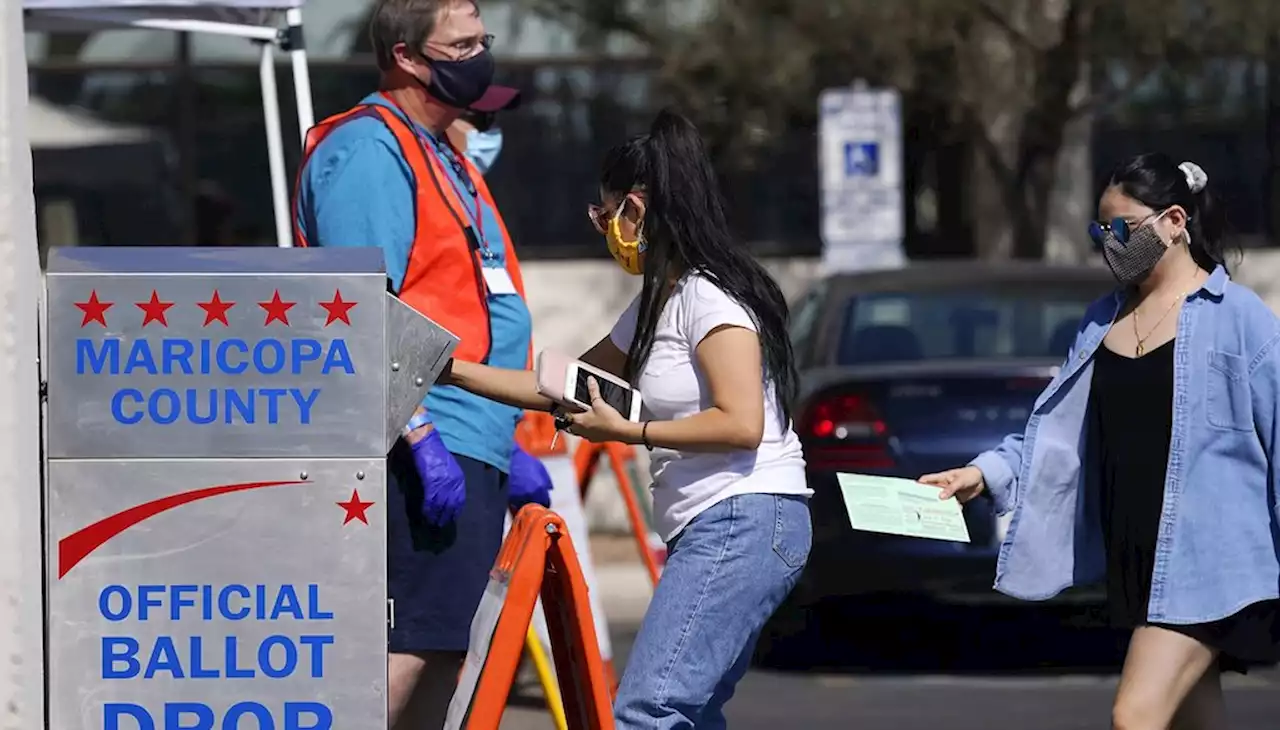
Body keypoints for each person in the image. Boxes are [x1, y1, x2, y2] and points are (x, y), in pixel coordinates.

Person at [439, 108, 812, 728]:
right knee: (687, 712)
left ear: (634, 211)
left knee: (649, 710)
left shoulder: (708, 296)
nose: (601, 228)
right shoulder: (655, 305)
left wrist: (629, 433)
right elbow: (558, 386)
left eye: (601, 213)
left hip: (744, 516)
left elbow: (741, 422)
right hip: (723, 522)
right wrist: (449, 370)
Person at [919, 153, 1280, 730]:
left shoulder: (1239, 320)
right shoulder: (1099, 322)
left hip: (1210, 564)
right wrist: (982, 473)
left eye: (1121, 229)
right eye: (1099, 231)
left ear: (1175, 222)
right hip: (1137, 559)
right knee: (1193, 719)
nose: (1108, 243)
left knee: (1134, 715)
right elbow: (1059, 434)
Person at [290, 1, 530, 726]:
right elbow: (362, 304)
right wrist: (420, 435)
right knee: (404, 650)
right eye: (461, 46)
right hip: (420, 442)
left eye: (482, 41)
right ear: (405, 56)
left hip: (473, 435)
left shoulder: (440, 150)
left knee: (442, 647)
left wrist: (504, 438)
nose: (480, 56)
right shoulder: (369, 150)